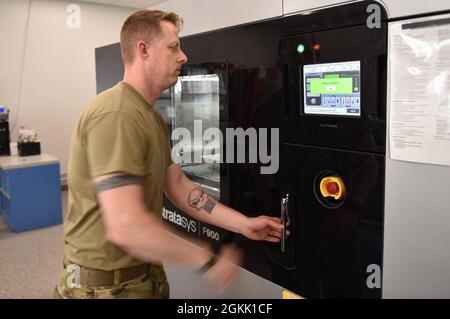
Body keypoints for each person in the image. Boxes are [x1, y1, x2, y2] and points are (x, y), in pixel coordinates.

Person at [54, 9, 284, 299]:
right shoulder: (116, 114)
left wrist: (244, 223)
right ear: (144, 50)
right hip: (104, 288)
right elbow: (126, 226)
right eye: (173, 47)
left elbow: (180, 187)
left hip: (144, 276)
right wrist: (207, 259)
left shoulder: (148, 117)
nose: (183, 56)